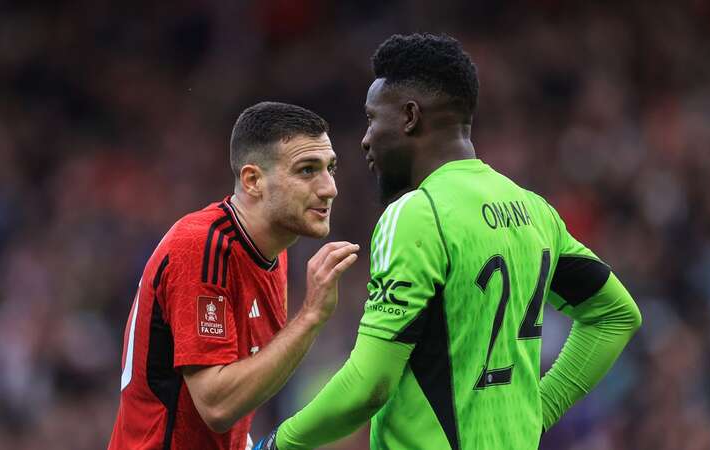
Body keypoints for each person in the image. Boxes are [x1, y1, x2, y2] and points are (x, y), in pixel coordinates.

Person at [254, 33, 642, 450]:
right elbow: (616, 315)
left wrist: (278, 443)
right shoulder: (533, 211)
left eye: (372, 118)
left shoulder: (417, 215)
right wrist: (538, 412)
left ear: (409, 117)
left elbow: (369, 384)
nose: (365, 139)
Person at [108, 101, 359, 450]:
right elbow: (217, 405)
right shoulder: (200, 248)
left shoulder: (274, 252)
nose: (329, 188)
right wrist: (311, 316)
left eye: (330, 168)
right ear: (253, 180)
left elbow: (241, 394)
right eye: (306, 170)